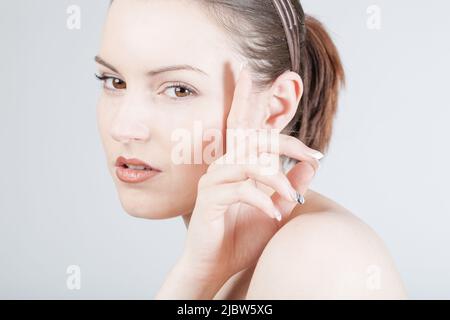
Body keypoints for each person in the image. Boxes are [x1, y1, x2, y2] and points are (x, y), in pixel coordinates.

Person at [95, 0, 407, 299]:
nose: (122, 127)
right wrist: (195, 277)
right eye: (114, 82)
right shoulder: (221, 264)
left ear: (275, 106)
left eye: (179, 89)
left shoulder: (319, 255)